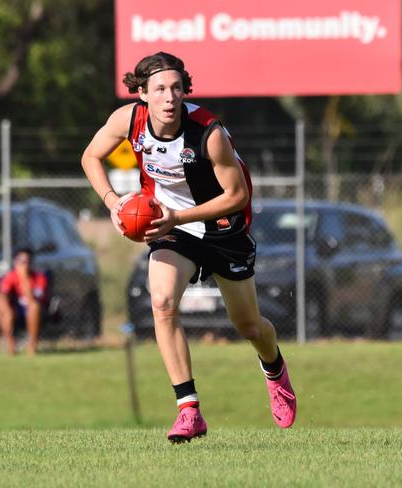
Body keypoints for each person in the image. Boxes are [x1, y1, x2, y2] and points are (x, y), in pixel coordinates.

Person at [81, 52, 297, 442]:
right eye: (160, 89)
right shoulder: (128, 120)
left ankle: (274, 368)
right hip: (170, 227)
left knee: (248, 325)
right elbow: (90, 156)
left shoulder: (208, 133)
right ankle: (189, 409)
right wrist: (115, 203)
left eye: (177, 88)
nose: (169, 97)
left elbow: (237, 194)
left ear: (185, 92)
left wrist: (179, 217)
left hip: (221, 227)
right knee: (162, 302)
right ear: (142, 93)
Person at [0, 248, 48, 356]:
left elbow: (32, 300)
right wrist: (5, 303)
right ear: (15, 262)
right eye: (22, 261)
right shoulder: (10, 277)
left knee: (34, 307)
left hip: (33, 312)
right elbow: (3, 295)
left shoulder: (39, 278)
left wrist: (24, 278)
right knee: (1, 305)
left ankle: (32, 347)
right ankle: (11, 346)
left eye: (27, 261)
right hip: (14, 310)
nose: (25, 264)